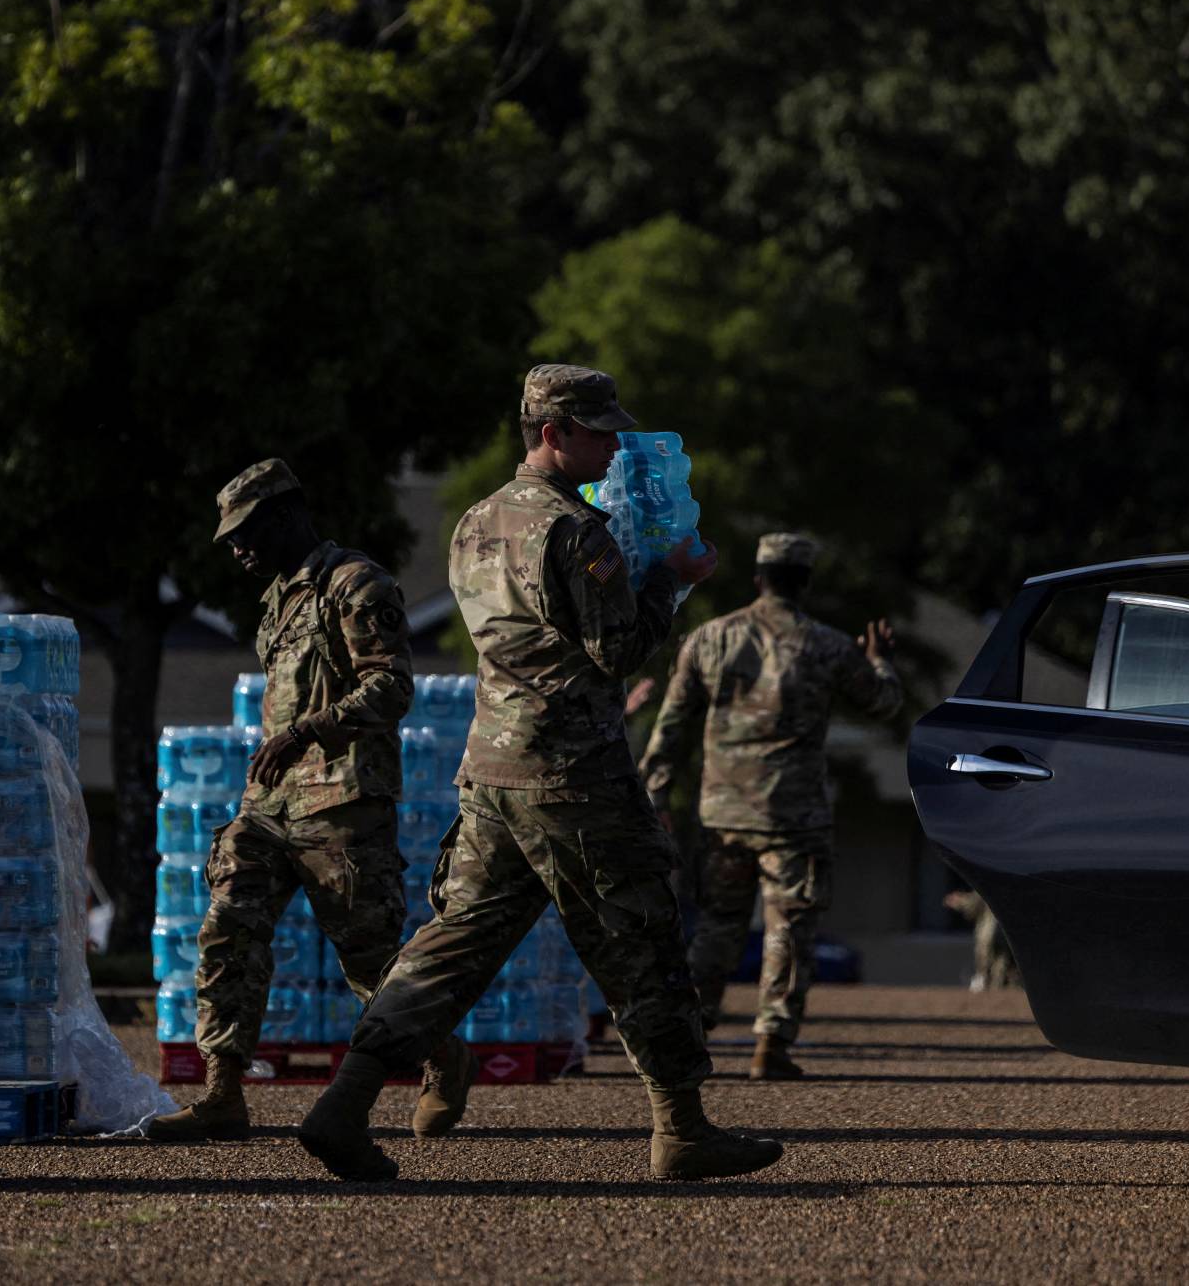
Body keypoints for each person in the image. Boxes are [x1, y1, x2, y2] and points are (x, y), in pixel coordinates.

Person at [295, 364, 784, 1183]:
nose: (612, 444)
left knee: (450, 946)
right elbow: (617, 650)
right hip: (574, 772)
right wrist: (668, 578)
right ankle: (682, 1127)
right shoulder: (574, 532)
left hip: (493, 770)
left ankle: (343, 1105)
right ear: (552, 435)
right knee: (643, 936)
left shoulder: (476, 521)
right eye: (596, 431)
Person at [144, 457, 471, 1142]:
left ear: (288, 516)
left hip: (342, 802)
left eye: (246, 531)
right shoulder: (276, 600)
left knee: (372, 960)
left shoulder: (354, 585)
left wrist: (308, 731)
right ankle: (223, 1093)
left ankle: (442, 1056)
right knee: (227, 926)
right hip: (269, 806)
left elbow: (391, 686)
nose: (237, 547)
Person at [639, 533, 902, 1080]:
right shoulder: (825, 645)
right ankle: (771, 1044)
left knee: (717, 924)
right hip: (793, 815)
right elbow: (883, 704)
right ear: (803, 582)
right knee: (790, 927)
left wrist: (656, 793)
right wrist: (880, 664)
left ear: (758, 578)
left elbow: (671, 729)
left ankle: (689, 1032)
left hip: (722, 813)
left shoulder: (708, 639)